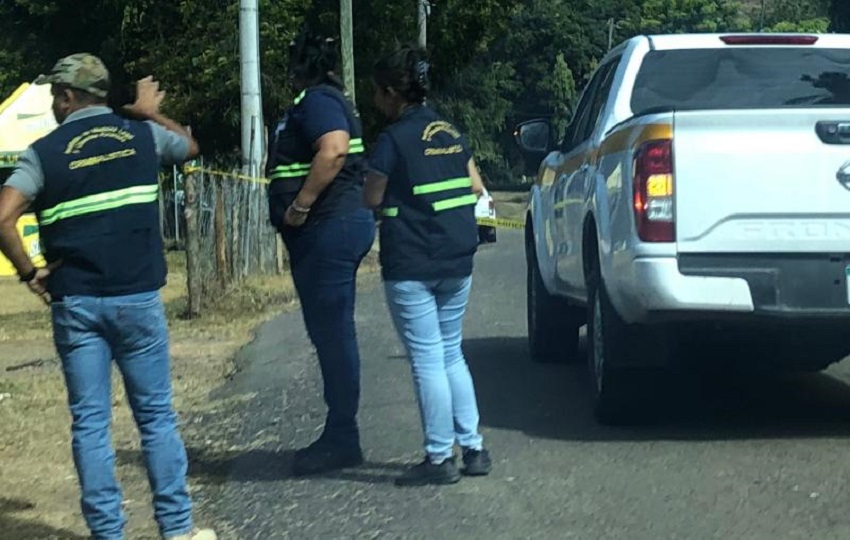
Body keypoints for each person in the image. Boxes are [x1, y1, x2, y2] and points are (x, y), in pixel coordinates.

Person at [0, 53, 215, 540]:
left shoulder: (44, 152)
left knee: (91, 424)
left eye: (58, 95)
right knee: (156, 417)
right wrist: (146, 112)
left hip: (76, 303)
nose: (54, 103)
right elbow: (189, 146)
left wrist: (29, 271)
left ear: (69, 97)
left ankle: (107, 533)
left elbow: (3, 216)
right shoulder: (141, 137)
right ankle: (177, 530)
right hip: (138, 298)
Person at [364, 46, 492, 487]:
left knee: (426, 359)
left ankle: (439, 458)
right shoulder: (449, 131)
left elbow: (373, 196)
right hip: (458, 256)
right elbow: (476, 186)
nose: (377, 102)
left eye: (378, 94)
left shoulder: (393, 139)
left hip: (413, 260)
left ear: (390, 93)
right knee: (451, 350)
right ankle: (473, 448)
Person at [266, 27, 375, 476]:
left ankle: (342, 437)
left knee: (332, 334)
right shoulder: (325, 100)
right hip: (332, 230)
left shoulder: (318, 102)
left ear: (299, 68)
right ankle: (340, 431)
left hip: (327, 227)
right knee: (330, 331)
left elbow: (333, 150)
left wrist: (299, 205)